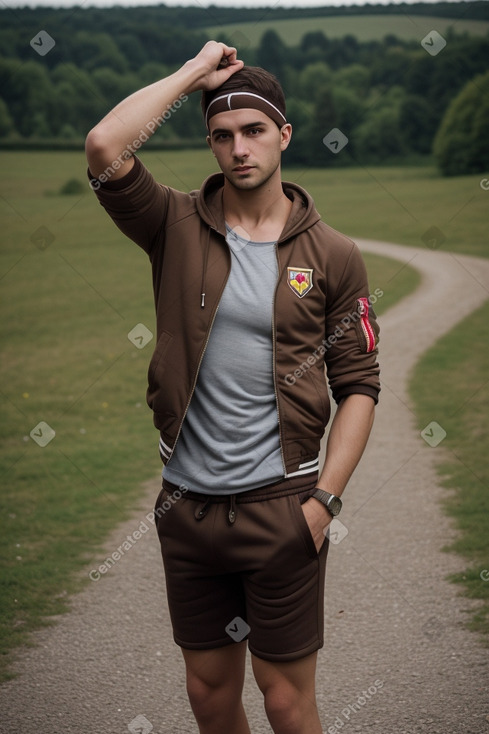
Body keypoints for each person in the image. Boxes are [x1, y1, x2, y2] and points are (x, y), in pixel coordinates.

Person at [86, 40, 380, 734]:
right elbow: (104, 147)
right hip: (186, 511)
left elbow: (359, 385)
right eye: (220, 135)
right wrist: (192, 74)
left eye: (253, 131)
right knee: (209, 698)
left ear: (282, 135)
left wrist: (321, 504)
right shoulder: (172, 223)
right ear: (209, 143)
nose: (238, 149)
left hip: (281, 509)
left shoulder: (332, 254)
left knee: (285, 702)